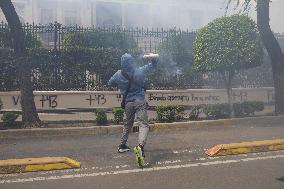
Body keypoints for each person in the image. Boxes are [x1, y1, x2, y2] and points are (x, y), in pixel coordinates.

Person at [108, 53, 158, 167]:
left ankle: (122, 145)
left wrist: (121, 84)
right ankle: (140, 147)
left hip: (128, 103)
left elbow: (110, 83)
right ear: (131, 62)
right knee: (144, 125)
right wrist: (154, 58)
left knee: (127, 124)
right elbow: (153, 66)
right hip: (139, 101)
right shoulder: (139, 71)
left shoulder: (118, 74)